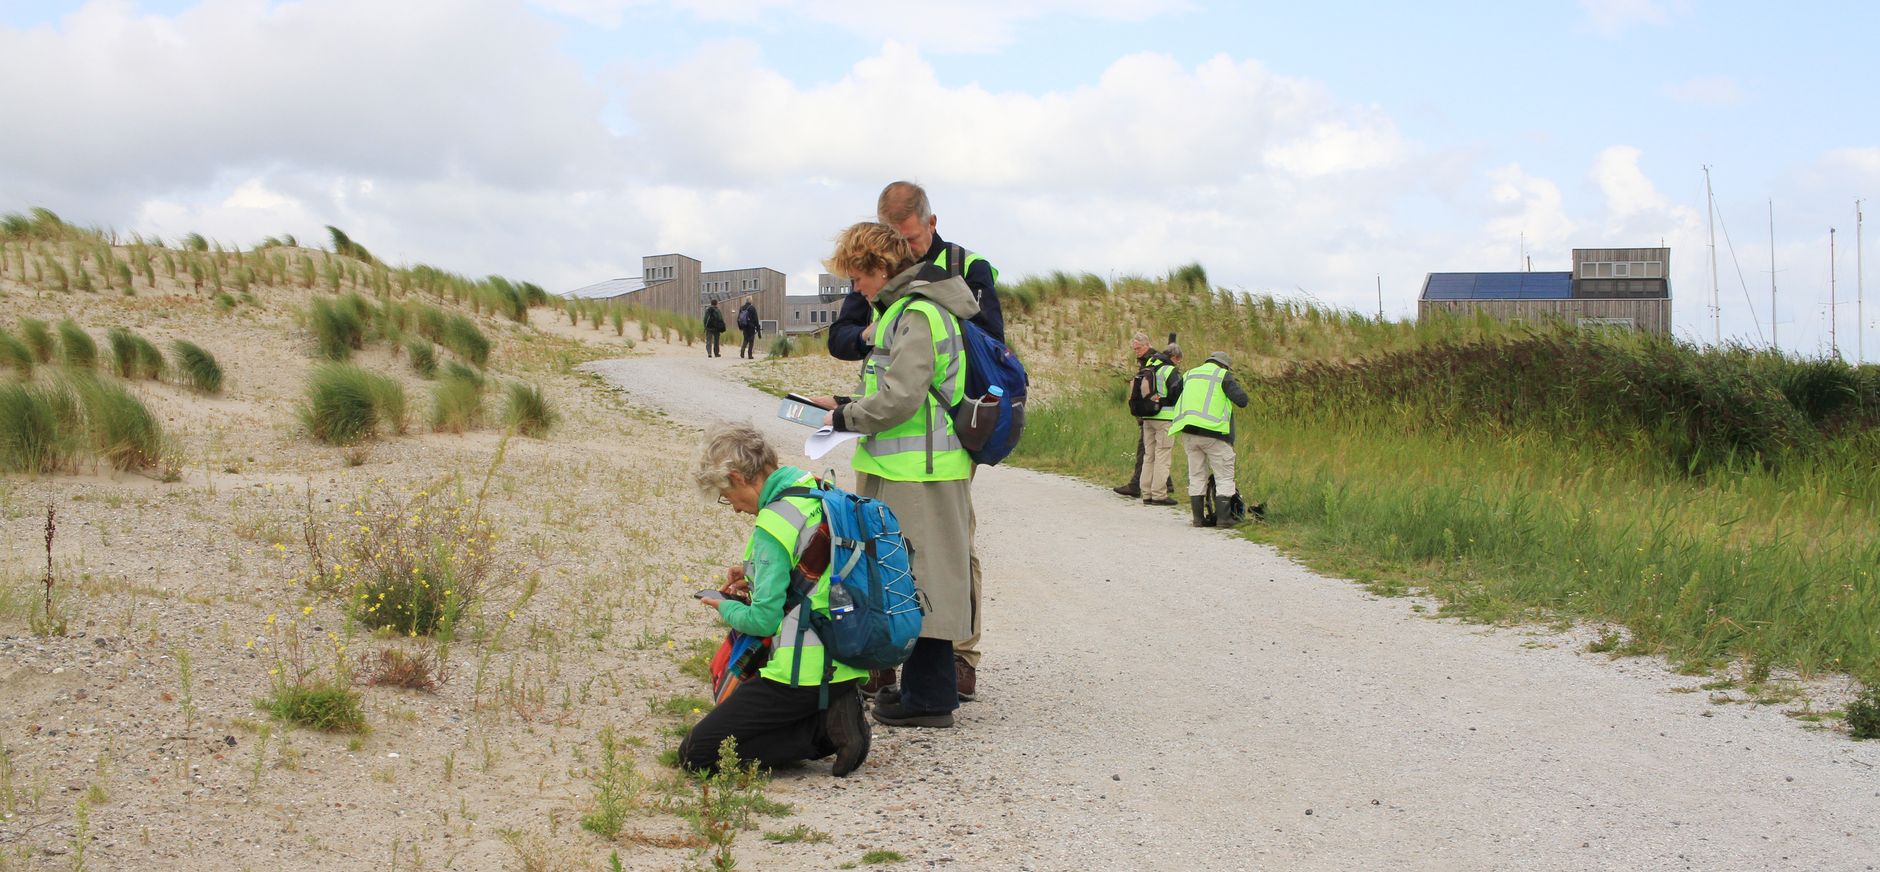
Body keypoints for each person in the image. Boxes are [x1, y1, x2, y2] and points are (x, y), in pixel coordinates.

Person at [828, 181, 994, 703]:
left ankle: (931, 698)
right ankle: (922, 690)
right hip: (911, 466)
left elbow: (900, 399)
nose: (855, 289)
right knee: (919, 573)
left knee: (924, 579)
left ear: (880, 267)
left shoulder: (917, 313)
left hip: (921, 470)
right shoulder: (906, 308)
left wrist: (844, 418)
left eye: (857, 277)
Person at [677, 421, 871, 776]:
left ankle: (825, 730)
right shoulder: (812, 487)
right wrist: (753, 576)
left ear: (737, 477)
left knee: (696, 752)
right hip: (847, 656)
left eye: (726, 495)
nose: (734, 507)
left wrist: (726, 607)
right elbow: (810, 579)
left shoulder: (773, 521)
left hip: (801, 673)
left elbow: (764, 621)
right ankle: (835, 709)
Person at [1166, 351, 1251, 527]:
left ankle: (1198, 518)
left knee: (1196, 475)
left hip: (1189, 432)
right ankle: (1224, 519)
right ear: (1225, 365)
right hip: (1214, 434)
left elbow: (1172, 395)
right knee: (1224, 476)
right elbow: (1242, 400)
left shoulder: (1190, 374)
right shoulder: (1222, 375)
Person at [1114, 332, 1178, 501]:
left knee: (1149, 453)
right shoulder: (1157, 362)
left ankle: (1143, 488)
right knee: (1156, 453)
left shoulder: (1151, 362)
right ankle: (1158, 488)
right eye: (1134, 349)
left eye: (1138, 348)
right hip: (1155, 413)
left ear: (1147, 344)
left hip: (1152, 414)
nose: (1136, 352)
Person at [1138, 343, 1183, 507]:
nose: (1178, 363)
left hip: (1147, 416)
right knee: (1163, 456)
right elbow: (1176, 393)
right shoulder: (1169, 370)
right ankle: (1159, 495)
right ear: (1174, 357)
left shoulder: (1149, 365)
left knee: (1149, 455)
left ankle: (1146, 494)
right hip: (1164, 418)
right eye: (1178, 360)